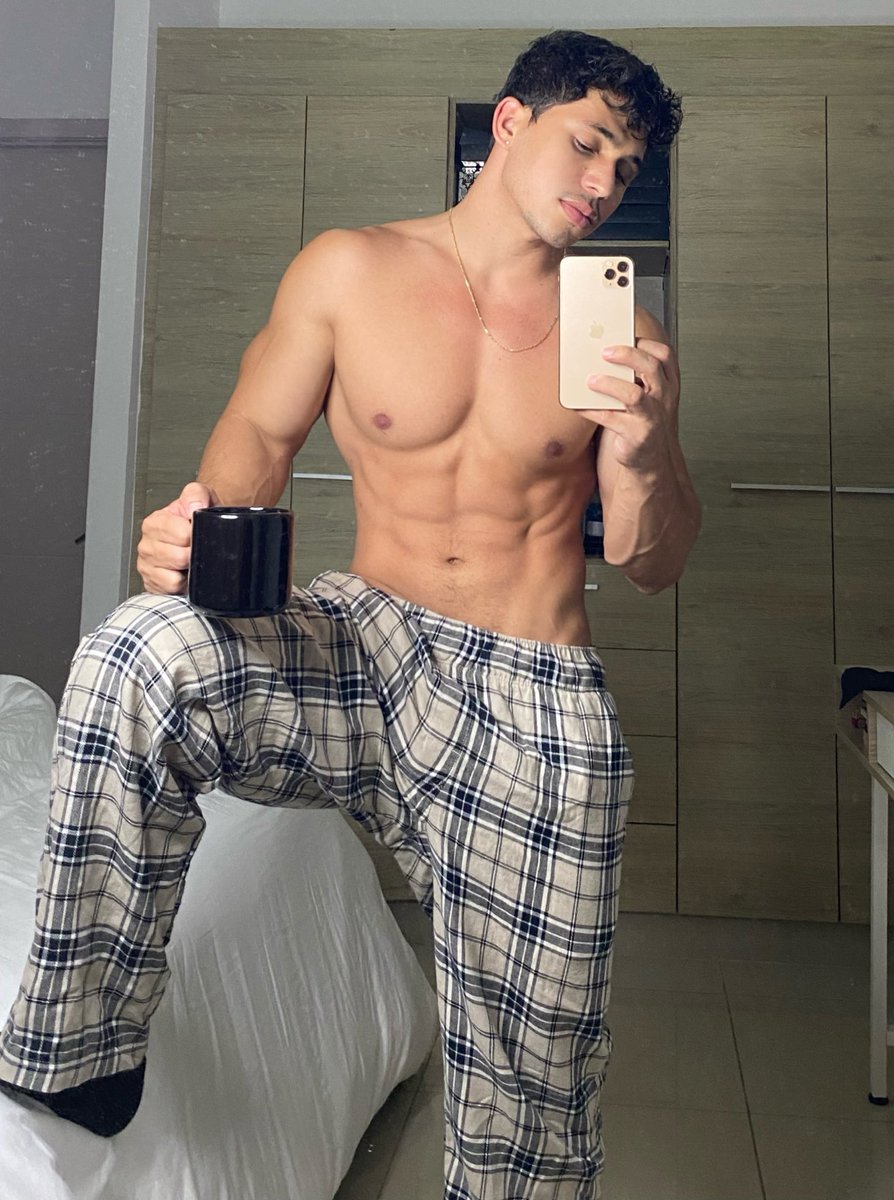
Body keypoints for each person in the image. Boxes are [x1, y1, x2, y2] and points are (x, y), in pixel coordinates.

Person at [0, 28, 698, 1200]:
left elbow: (650, 560)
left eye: (625, 170)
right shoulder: (351, 271)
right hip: (361, 643)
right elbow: (256, 440)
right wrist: (194, 530)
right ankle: (81, 1050)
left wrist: (643, 447)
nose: (603, 184)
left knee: (537, 1075)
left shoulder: (618, 333)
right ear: (510, 123)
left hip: (530, 689)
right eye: (588, 145)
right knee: (139, 650)